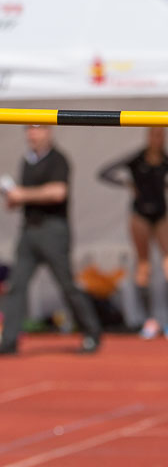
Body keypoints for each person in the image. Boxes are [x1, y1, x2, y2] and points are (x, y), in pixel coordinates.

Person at [0, 126, 101, 354]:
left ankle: (92, 333)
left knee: (67, 285)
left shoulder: (58, 159)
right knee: (16, 284)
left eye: (36, 129)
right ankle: (9, 339)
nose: (31, 134)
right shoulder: (26, 161)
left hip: (53, 230)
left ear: (48, 132)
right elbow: (25, 196)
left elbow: (58, 192)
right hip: (28, 230)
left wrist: (22, 194)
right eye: (28, 129)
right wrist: (13, 199)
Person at [98, 127, 168, 340]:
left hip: (161, 215)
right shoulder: (137, 158)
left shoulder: (167, 159)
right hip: (140, 215)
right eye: (154, 135)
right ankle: (149, 320)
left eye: (161, 135)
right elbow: (104, 172)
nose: (158, 139)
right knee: (144, 265)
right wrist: (127, 183)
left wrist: (166, 185)